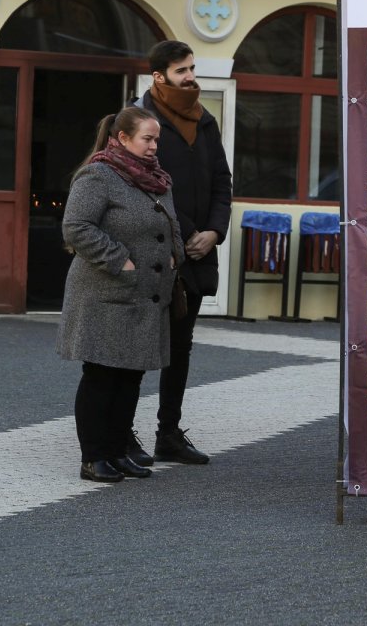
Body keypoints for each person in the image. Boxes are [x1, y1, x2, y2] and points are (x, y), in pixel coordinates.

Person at [58, 107, 185, 483]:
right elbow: (76, 226)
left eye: (157, 139)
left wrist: (176, 253)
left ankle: (117, 451)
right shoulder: (99, 174)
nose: (154, 145)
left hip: (145, 296)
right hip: (106, 293)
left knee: (130, 376)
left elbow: (171, 224)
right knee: (102, 375)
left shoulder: (157, 179)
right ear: (123, 138)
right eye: (147, 138)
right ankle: (93, 457)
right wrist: (120, 260)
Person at [137, 40, 232, 466]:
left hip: (197, 253)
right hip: (157, 251)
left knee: (180, 346)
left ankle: (168, 434)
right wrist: (190, 231)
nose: (191, 77)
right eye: (181, 71)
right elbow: (146, 182)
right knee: (137, 344)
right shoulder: (140, 120)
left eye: (192, 68)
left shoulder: (205, 120)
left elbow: (221, 181)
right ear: (159, 76)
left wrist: (214, 231)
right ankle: (122, 435)